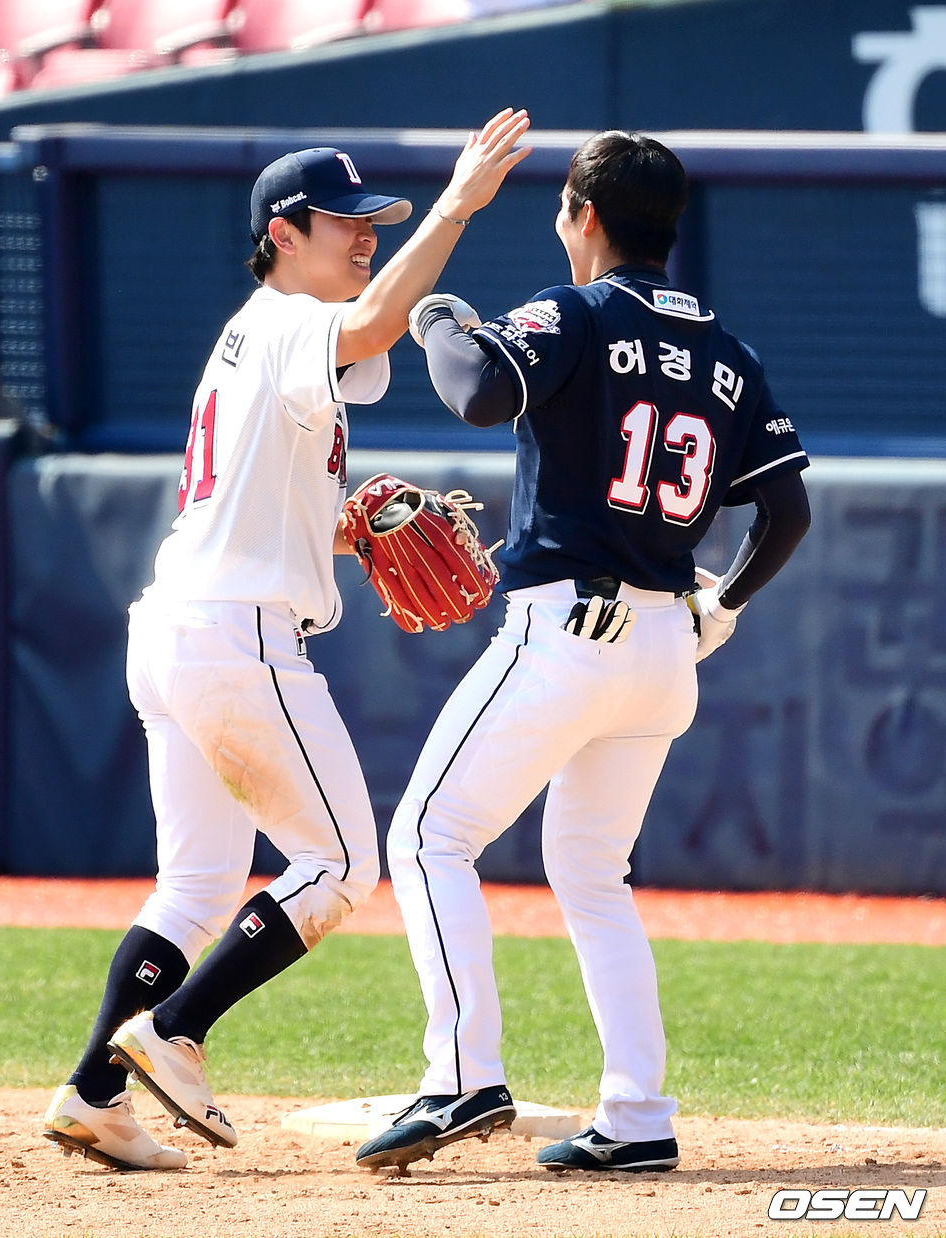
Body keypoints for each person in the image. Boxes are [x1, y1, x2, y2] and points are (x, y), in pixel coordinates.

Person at [43, 108, 531, 1172]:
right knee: (344, 861)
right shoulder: (280, 323)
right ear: (281, 231)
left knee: (194, 885)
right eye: (343, 222)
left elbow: (287, 459)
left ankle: (92, 1092)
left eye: (373, 221)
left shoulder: (259, 339)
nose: (362, 236)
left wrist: (343, 532)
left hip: (178, 627)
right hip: (234, 640)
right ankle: (176, 1029)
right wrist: (456, 204)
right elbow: (369, 328)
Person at [355, 130, 811, 1175]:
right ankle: (637, 1113)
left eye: (564, 207)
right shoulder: (727, 353)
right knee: (593, 873)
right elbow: (783, 508)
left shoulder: (570, 312)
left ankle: (463, 1073)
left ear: (584, 214)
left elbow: (476, 390)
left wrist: (435, 316)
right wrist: (722, 603)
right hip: (662, 648)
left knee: (427, 837)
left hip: (567, 629)